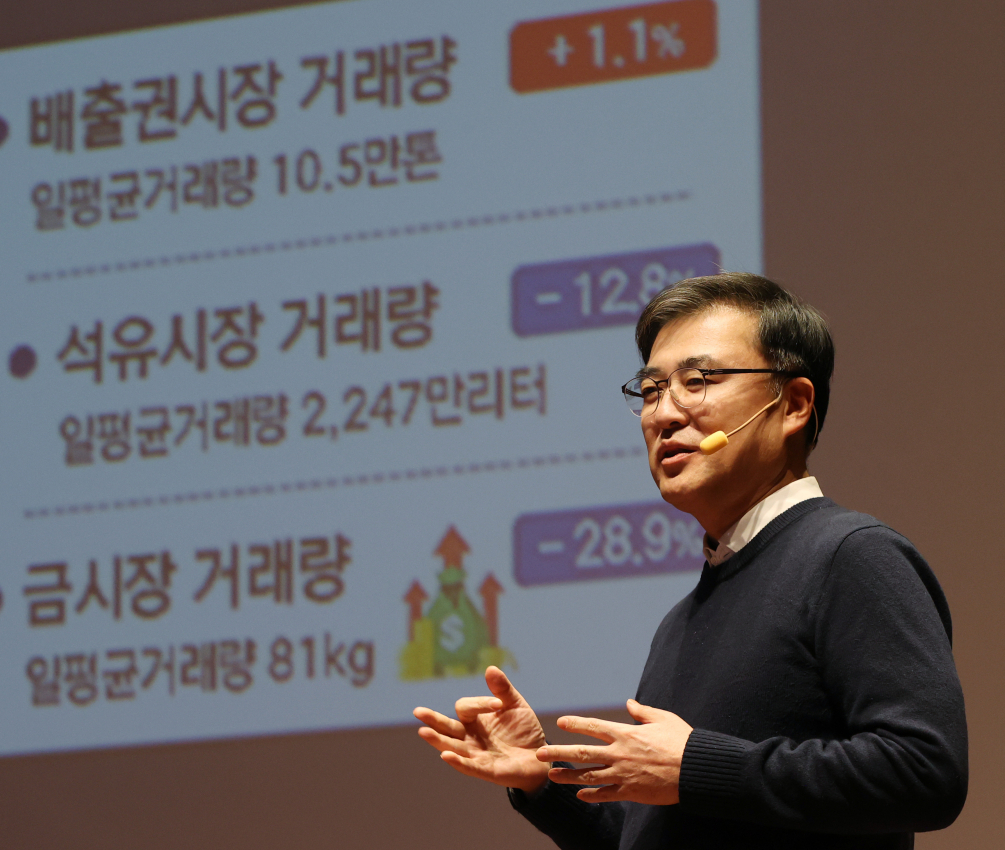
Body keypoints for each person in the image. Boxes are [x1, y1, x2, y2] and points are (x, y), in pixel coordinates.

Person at [413, 273, 968, 849]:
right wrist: (542, 780)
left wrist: (694, 766)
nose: (664, 415)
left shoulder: (851, 556)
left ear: (795, 403)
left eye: (698, 380)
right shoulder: (682, 619)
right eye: (651, 391)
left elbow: (925, 771)